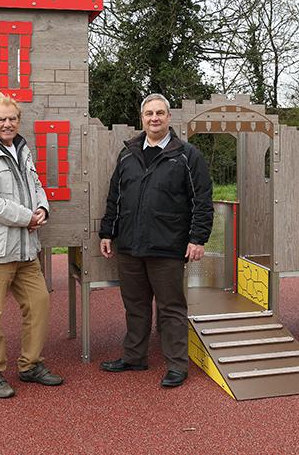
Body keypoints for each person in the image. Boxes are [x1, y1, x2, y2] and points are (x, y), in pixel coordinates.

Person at [99, 93, 213, 388]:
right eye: (149, 113)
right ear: (142, 118)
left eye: (160, 113)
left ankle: (177, 365)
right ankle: (134, 356)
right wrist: (107, 231)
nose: (154, 118)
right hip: (130, 245)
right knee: (135, 304)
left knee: (171, 307)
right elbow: (115, 196)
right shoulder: (127, 155)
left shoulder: (188, 156)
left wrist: (197, 238)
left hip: (168, 246)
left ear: (169, 117)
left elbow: (202, 201)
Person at [0, 94, 63, 398]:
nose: (8, 124)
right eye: (1, 119)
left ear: (18, 121)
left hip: (25, 249)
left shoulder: (22, 150)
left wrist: (43, 209)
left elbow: (35, 187)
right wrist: (26, 218)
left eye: (12, 119)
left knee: (39, 303)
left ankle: (30, 365)